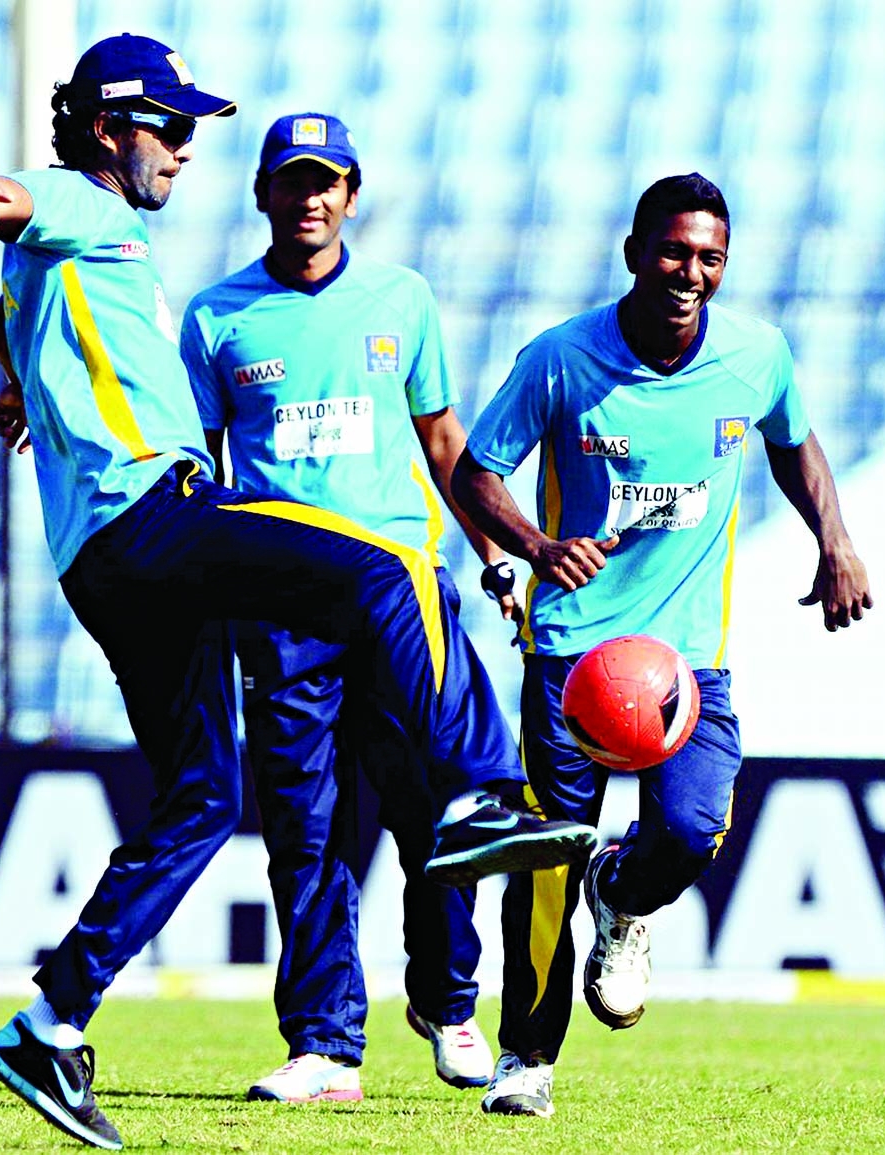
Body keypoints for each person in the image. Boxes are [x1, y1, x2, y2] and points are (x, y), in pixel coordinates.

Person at [0, 34, 598, 1150]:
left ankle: (51, 1019)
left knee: (201, 799)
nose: (186, 152)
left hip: (97, 562)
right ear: (110, 131)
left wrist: (16, 382)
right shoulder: (91, 211)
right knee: (389, 564)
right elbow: (5, 195)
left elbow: (15, 313)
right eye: (174, 127)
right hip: (157, 512)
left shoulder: (59, 267)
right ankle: (482, 789)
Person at [450, 173, 873, 1119]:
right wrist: (538, 546)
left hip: (687, 663)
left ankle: (627, 893)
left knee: (688, 830)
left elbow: (794, 443)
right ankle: (527, 1058)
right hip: (569, 658)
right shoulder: (561, 359)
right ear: (637, 252)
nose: (692, 273)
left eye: (710, 257)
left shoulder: (757, 355)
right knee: (548, 856)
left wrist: (835, 540)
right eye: (676, 252)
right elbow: (476, 472)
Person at [179, 112, 523, 1103]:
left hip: (399, 591)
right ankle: (327, 1047)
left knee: (438, 811)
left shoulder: (400, 301)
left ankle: (450, 1005)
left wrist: (498, 557)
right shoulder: (217, 317)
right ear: (262, 194)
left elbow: (445, 442)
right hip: (281, 611)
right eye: (292, 180)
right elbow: (202, 471)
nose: (311, 197)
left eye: (327, 180)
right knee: (307, 825)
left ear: (353, 194)